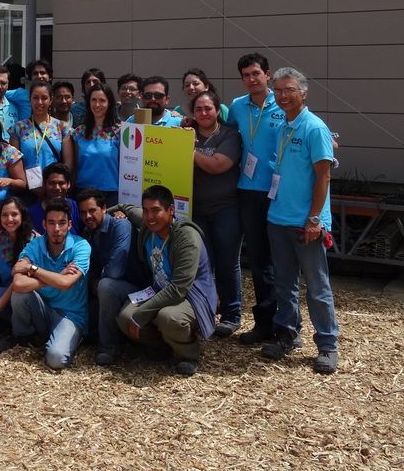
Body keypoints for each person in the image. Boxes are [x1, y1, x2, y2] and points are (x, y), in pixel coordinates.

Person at [261, 67, 340, 375]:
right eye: (278, 90)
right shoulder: (284, 126)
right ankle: (287, 333)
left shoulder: (314, 128)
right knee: (284, 283)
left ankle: (327, 345)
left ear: (303, 93)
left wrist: (314, 219)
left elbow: (324, 177)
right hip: (278, 217)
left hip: (305, 222)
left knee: (317, 287)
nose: (282, 96)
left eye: (289, 90)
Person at [117, 185, 217, 376]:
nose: (149, 217)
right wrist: (112, 212)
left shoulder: (186, 237)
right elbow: (126, 208)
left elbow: (179, 288)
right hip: (158, 289)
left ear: (171, 210)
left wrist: (142, 314)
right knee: (125, 317)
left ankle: (187, 355)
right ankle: (162, 345)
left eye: (156, 210)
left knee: (168, 317)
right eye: (146, 211)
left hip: (192, 295)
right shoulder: (148, 224)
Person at [0, 198, 91, 371]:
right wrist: (56, 277)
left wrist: (33, 268)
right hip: (43, 308)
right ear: (44, 225)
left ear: (69, 225)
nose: (57, 229)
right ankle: (24, 337)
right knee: (19, 294)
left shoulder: (81, 246)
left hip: (70, 315)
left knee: (56, 360)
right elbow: (18, 283)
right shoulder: (35, 245)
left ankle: (68, 337)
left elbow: (66, 283)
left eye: (62, 223)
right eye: (51, 223)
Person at [226, 52, 284, 345]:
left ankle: (287, 325)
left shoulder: (283, 104)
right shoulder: (237, 107)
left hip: (279, 192)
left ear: (267, 74)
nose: (251, 79)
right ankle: (263, 324)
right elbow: (220, 132)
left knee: (283, 260)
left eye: (256, 74)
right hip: (247, 191)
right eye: (246, 75)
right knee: (259, 261)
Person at [189, 90, 243, 337]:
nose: (203, 113)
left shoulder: (229, 135)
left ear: (217, 110)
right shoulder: (186, 133)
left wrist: (188, 152)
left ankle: (232, 314)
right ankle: (206, 311)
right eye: (198, 109)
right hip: (196, 210)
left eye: (208, 108)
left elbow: (218, 165)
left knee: (227, 262)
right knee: (202, 265)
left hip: (225, 209)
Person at [79, 189, 136, 366]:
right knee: (84, 333)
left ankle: (108, 348)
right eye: (82, 212)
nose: (87, 216)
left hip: (136, 289)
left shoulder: (120, 225)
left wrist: (95, 280)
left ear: (104, 208)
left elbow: (115, 271)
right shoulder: (87, 233)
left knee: (106, 285)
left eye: (92, 210)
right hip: (105, 291)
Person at [0, 195, 36, 340]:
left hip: (23, 295)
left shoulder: (33, 240)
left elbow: (19, 281)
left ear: (22, 215)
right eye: (4, 215)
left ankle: (24, 328)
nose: (9, 219)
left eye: (14, 214)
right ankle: (7, 324)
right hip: (3, 294)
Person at [8, 80, 73, 195]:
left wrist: (59, 183)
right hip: (27, 190)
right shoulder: (18, 128)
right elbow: (14, 162)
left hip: (55, 188)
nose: (40, 102)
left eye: (44, 98)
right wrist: (27, 182)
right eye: (35, 98)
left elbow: (68, 163)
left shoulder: (62, 127)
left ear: (51, 100)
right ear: (30, 99)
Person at [65, 83, 120, 205]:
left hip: (110, 195)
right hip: (82, 193)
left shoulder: (120, 132)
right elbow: (73, 166)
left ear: (109, 103)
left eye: (102, 100)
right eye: (93, 100)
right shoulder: (79, 132)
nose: (97, 104)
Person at [27, 162, 83, 235]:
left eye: (61, 183)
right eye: (52, 183)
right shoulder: (31, 213)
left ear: (68, 184)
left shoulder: (76, 207)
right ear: (44, 184)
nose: (57, 188)